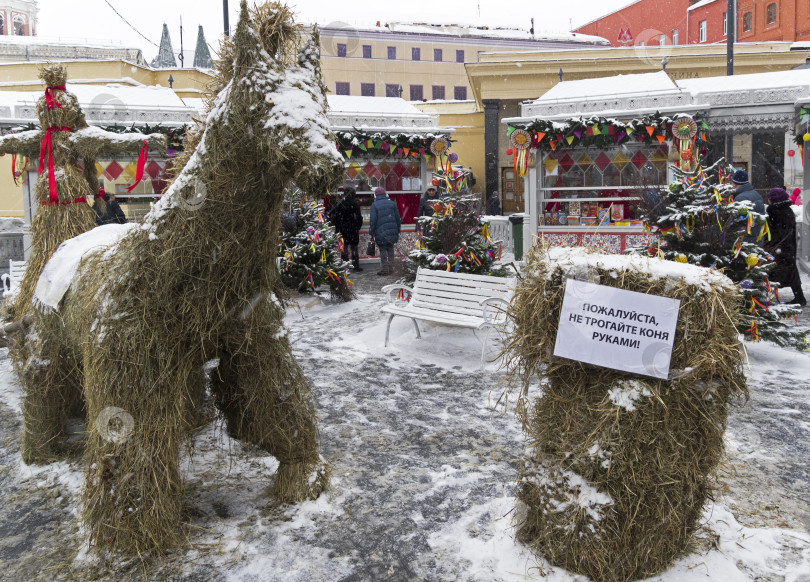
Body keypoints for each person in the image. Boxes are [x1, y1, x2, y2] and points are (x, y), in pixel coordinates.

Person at [765, 187, 806, 306]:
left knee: (772, 271)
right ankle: (799, 297)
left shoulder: (776, 212)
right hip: (787, 247)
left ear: (774, 200)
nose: (768, 200)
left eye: (769, 198)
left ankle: (767, 298)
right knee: (791, 271)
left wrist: (770, 246)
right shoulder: (786, 211)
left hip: (779, 248)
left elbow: (775, 233)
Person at [328, 187, 364, 271]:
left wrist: (338, 228)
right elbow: (359, 218)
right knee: (354, 248)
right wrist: (357, 227)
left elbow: (335, 218)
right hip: (353, 230)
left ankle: (345, 266)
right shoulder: (355, 204)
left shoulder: (340, 204)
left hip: (343, 230)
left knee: (344, 249)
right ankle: (355, 266)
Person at [369, 186, 401, 276]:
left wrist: (371, 231)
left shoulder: (374, 205)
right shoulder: (391, 203)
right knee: (390, 249)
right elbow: (398, 218)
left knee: (383, 250)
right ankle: (391, 268)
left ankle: (385, 269)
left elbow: (373, 220)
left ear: (376, 195)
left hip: (381, 232)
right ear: (384, 194)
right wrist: (397, 230)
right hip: (392, 231)